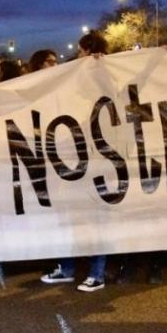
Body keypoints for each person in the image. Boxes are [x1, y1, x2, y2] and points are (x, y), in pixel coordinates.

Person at [41, 31, 111, 293]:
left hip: (96, 158)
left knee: (94, 219)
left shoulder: (106, 75)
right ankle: (68, 268)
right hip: (73, 158)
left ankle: (97, 273)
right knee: (69, 217)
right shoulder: (74, 78)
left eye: (82, 52)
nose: (81, 57)